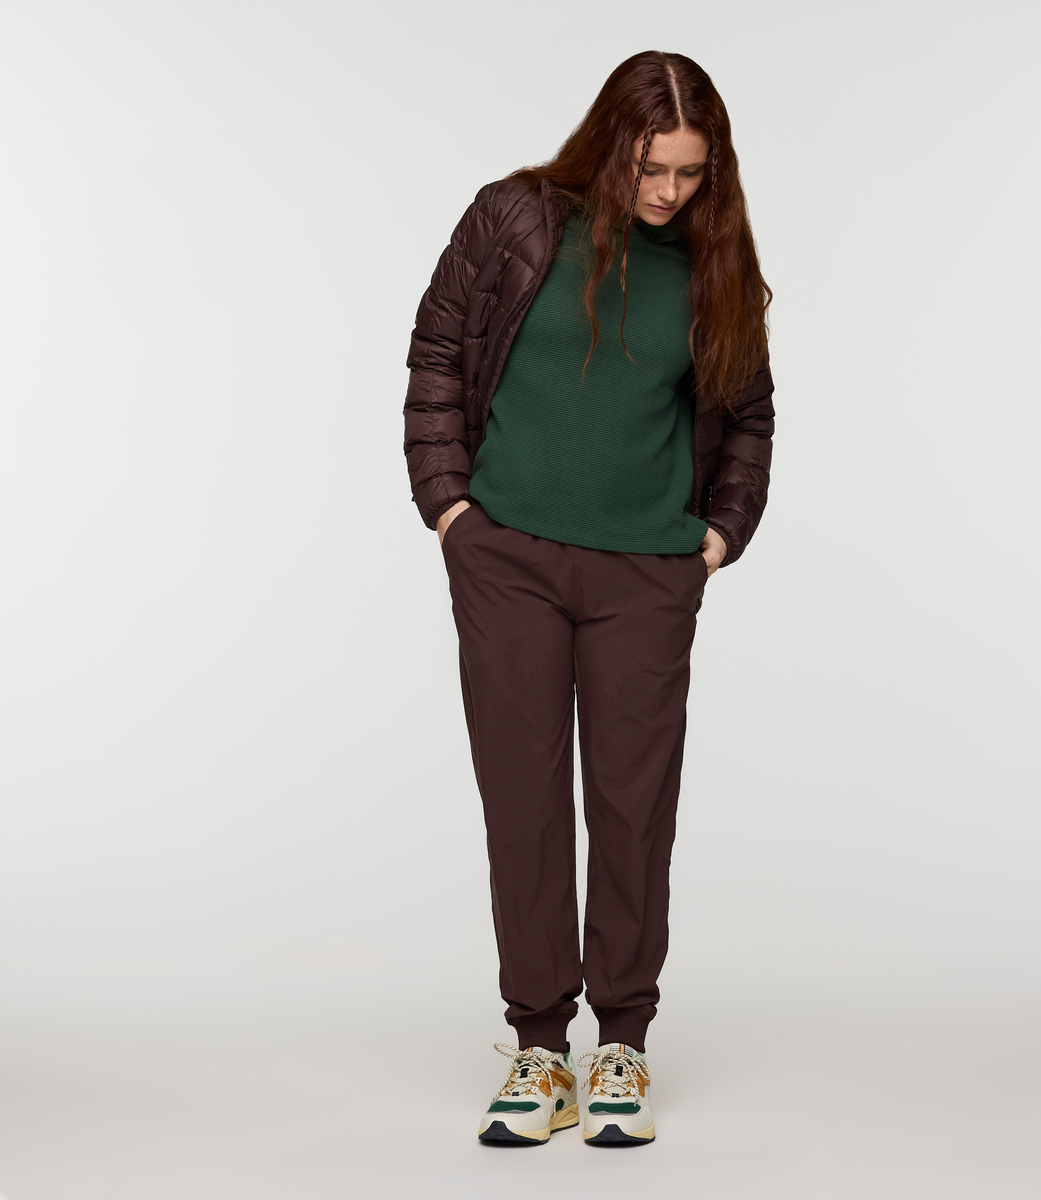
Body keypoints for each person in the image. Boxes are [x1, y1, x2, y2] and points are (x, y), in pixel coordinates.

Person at [403, 50, 774, 1146]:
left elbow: (750, 412)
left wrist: (718, 536)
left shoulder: (712, 259)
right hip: (508, 558)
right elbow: (437, 352)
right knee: (521, 801)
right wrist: (449, 508)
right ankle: (537, 1048)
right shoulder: (515, 219)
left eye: (691, 173)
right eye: (652, 168)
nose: (668, 191)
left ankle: (621, 1044)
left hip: (646, 573)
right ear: (611, 143)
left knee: (631, 804)